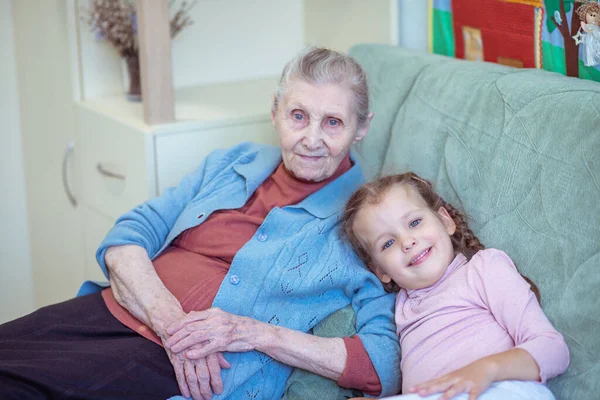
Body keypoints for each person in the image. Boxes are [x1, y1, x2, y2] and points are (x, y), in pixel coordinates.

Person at [0, 47, 401, 400]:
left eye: (333, 122)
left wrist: (255, 333)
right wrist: (171, 322)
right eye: (299, 116)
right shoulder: (233, 162)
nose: (312, 139)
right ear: (275, 112)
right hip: (113, 309)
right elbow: (127, 237)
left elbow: (384, 363)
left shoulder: (360, 222)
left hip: (181, 370)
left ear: (361, 126)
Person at [342, 172, 570, 400]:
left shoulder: (483, 269)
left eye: (414, 222)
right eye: (388, 243)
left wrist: (486, 370)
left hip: (498, 389)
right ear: (380, 271)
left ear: (445, 221)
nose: (407, 242)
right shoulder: (401, 307)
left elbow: (553, 350)